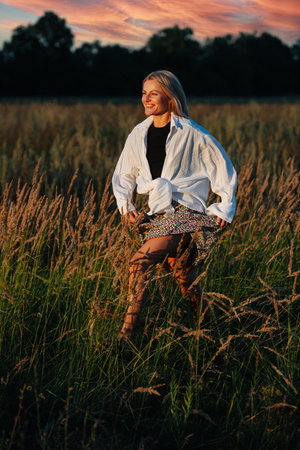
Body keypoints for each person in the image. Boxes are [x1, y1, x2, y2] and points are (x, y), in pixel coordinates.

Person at [112, 70, 237, 341]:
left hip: (186, 213)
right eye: (144, 93)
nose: (145, 99)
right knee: (184, 278)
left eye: (153, 93)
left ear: (170, 97)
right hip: (157, 213)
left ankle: (126, 338)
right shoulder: (138, 134)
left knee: (138, 263)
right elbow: (124, 173)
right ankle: (218, 335)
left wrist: (224, 207)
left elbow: (222, 167)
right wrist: (126, 205)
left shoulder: (192, 132)